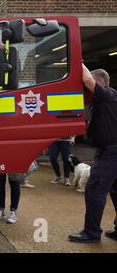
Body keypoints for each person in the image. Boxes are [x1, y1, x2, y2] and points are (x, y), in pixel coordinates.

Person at [68, 65, 117, 243]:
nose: (85, 88)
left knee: (94, 189)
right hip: (111, 151)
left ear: (99, 83)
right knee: (116, 190)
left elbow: (88, 79)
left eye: (87, 85)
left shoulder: (105, 95)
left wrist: (76, 61)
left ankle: (92, 233)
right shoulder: (109, 97)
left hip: (110, 153)